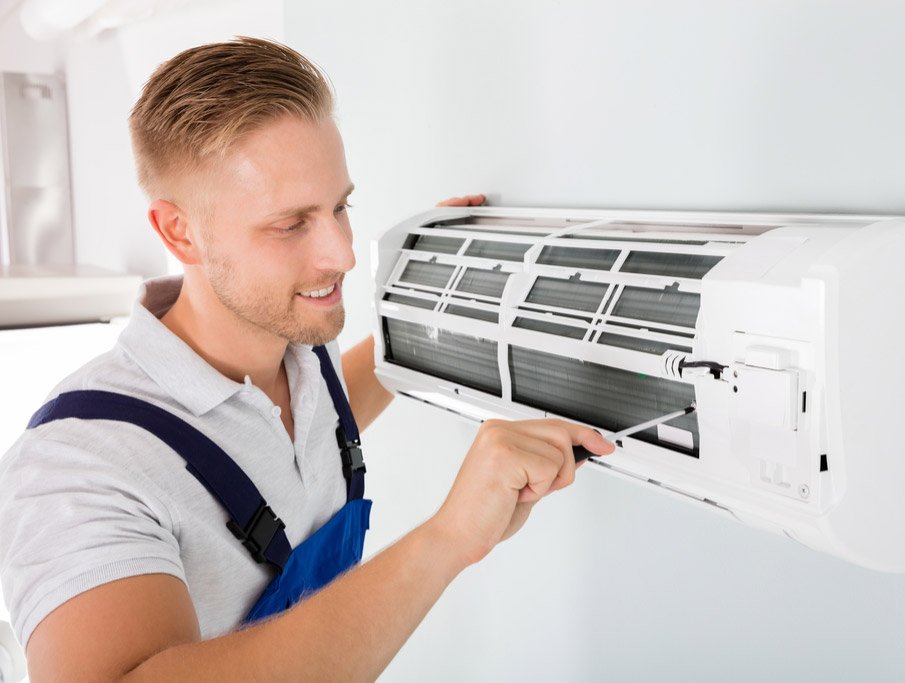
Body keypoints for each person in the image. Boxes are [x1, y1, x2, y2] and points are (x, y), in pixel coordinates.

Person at [0, 37, 614, 680]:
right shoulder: (74, 469)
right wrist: (449, 538)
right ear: (179, 231)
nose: (343, 254)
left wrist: (428, 306)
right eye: (291, 224)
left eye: (340, 206)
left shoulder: (296, 353)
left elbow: (320, 419)